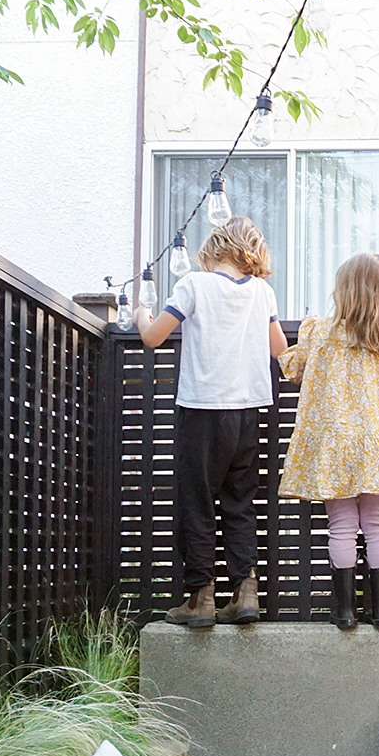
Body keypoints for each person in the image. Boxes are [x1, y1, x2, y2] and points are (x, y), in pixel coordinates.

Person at [134, 217, 288, 627]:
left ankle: (200, 598)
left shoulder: (194, 285)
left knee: (197, 501)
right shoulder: (263, 292)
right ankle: (245, 593)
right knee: (239, 503)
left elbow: (153, 337)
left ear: (214, 246)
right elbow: (279, 348)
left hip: (202, 407)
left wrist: (139, 314)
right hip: (248, 410)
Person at [277, 252, 379, 629]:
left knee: (341, 527)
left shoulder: (319, 331)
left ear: (341, 290)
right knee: (378, 525)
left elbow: (292, 368)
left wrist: (301, 333)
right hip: (374, 442)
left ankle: (343, 612)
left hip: (334, 443)